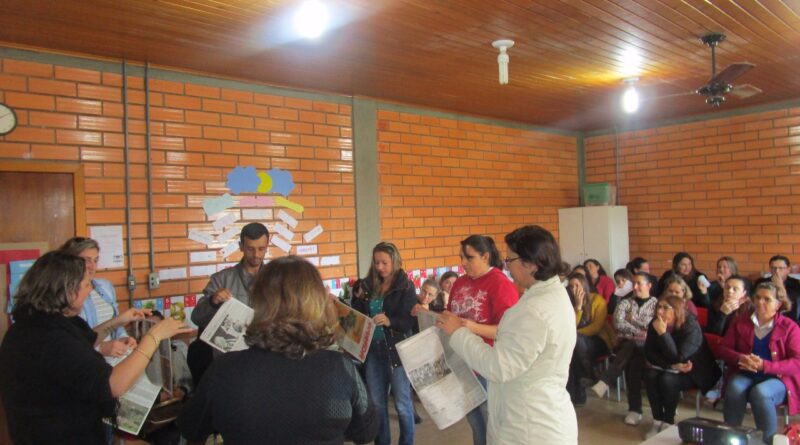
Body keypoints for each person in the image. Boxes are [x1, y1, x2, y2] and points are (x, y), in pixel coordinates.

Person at [178, 256, 377, 444]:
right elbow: (366, 431)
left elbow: (190, 428)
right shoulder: (339, 368)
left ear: (258, 302)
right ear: (316, 304)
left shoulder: (224, 369)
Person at [0, 251, 189, 444]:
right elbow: (113, 385)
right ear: (67, 290)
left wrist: (118, 322)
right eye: (86, 284)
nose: (90, 290)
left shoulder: (35, 323)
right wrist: (154, 336)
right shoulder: (49, 338)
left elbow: (84, 342)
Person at [438, 225, 577, 444]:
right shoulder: (551, 296)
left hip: (529, 425)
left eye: (510, 260)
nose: (507, 267)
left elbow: (499, 367)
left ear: (530, 264)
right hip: (535, 411)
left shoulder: (534, 310)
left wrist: (459, 333)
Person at [442, 234, 520, 445]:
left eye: (469, 258)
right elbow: (451, 317)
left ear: (485, 257)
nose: (463, 263)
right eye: (461, 257)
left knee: (490, 424)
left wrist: (471, 327)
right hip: (461, 362)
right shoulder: (460, 282)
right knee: (476, 422)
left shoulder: (500, 284)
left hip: (485, 364)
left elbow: (509, 332)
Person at [351, 242, 417, 445]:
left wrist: (390, 321)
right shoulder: (366, 285)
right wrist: (358, 299)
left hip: (396, 351)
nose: (380, 267)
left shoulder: (405, 285)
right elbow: (358, 317)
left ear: (395, 262)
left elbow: (410, 321)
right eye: (376, 262)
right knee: (378, 405)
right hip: (373, 351)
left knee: (402, 405)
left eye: (384, 262)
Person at [188, 222, 269, 384]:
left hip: (264, 358)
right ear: (241, 246)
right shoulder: (221, 279)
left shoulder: (275, 280)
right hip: (229, 362)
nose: (256, 255)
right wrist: (213, 301)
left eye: (261, 249)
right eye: (250, 248)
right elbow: (196, 317)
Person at [720, 282, 800, 444]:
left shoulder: (790, 327)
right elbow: (723, 349)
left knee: (761, 393)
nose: (760, 302)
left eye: (767, 299)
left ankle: (768, 441)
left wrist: (765, 366)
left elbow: (797, 362)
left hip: (778, 378)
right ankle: (731, 438)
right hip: (746, 373)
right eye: (757, 297)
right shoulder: (740, 321)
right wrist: (740, 358)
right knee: (734, 388)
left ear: (777, 305)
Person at [643, 294, 720, 437]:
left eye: (665, 308)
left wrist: (663, 334)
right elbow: (649, 353)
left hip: (695, 370)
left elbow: (680, 356)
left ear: (677, 310)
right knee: (650, 375)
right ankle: (657, 420)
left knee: (667, 380)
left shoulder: (691, 325)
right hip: (671, 367)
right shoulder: (655, 323)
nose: (660, 311)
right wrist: (671, 366)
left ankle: (668, 421)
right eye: (658, 307)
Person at [590, 272, 657, 426]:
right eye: (633, 283)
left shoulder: (657, 304)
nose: (635, 287)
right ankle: (636, 410)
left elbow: (652, 328)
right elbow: (618, 323)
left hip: (650, 347)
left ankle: (631, 406)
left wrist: (633, 321)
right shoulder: (625, 303)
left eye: (639, 283)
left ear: (649, 285)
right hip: (625, 343)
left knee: (634, 356)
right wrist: (640, 330)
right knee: (633, 348)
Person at [59, 237, 137, 358]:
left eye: (96, 260)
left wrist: (123, 338)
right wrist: (100, 348)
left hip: (116, 359)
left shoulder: (105, 286)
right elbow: (68, 343)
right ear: (71, 263)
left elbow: (116, 326)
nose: (93, 266)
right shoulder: (65, 295)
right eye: (87, 260)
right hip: (88, 362)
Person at [566, 272, 614, 406]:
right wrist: (578, 307)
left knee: (577, 342)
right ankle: (586, 378)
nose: (574, 289)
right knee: (572, 354)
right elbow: (571, 325)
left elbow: (596, 327)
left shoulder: (597, 300)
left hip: (598, 341)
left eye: (577, 285)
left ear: (584, 285)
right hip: (578, 347)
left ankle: (583, 385)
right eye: (571, 286)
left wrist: (574, 334)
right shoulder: (569, 304)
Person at [755, 255, 800, 323]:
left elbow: (791, 306)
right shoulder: (761, 282)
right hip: (765, 315)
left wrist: (780, 286)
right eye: (773, 268)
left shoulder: (796, 284)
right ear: (770, 269)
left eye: (781, 268)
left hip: (789, 318)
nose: (777, 271)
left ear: (788, 269)